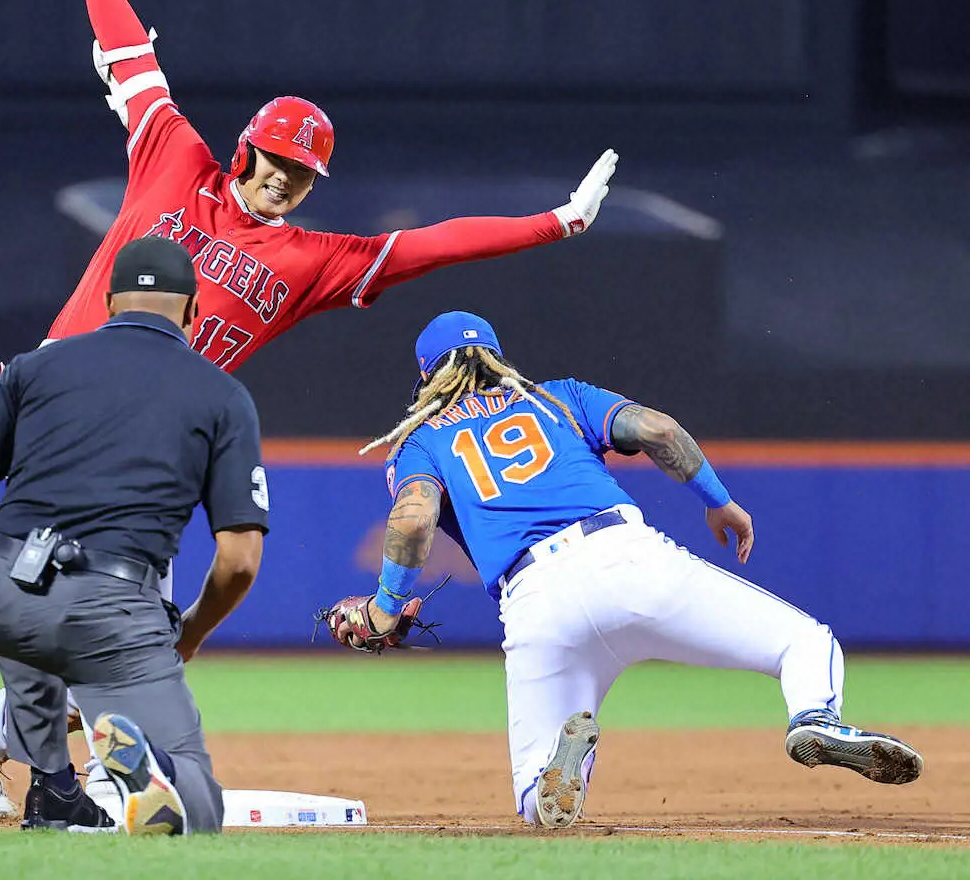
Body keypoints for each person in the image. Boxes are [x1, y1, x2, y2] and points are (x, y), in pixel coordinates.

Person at [0, 0, 620, 819]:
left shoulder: (309, 260)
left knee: (117, 616)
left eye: (301, 174)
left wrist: (553, 223)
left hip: (153, 442)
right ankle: (68, 767)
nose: (283, 180)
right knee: (106, 611)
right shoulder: (174, 160)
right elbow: (131, 58)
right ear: (247, 145)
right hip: (60, 399)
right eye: (274, 160)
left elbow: (429, 245)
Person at [325, 310, 923, 828]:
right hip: (627, 559)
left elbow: (411, 521)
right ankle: (815, 718)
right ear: (497, 358)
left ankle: (563, 765)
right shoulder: (557, 396)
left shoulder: (421, 441)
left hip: (536, 601)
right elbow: (658, 429)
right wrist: (717, 501)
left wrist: (384, 608)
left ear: (427, 378)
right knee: (805, 643)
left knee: (536, 803)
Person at [0, 237, 268, 834]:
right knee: (200, 811)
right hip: (108, 601)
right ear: (194, 311)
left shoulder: (32, 368)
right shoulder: (220, 394)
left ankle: (55, 791)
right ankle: (153, 772)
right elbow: (239, 560)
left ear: (109, 303)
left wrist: (6, 534)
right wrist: (191, 632)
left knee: (34, 624)